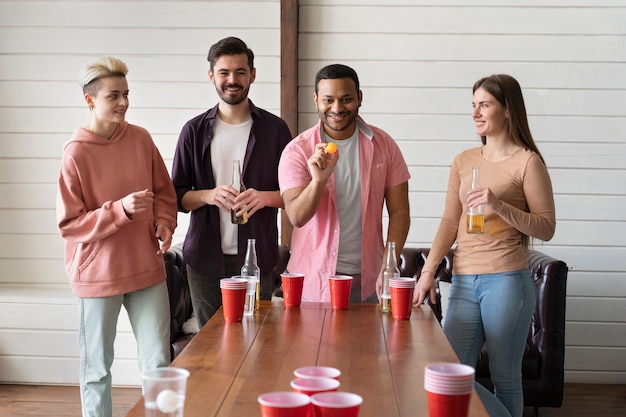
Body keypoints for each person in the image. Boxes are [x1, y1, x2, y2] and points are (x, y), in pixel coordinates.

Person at [413, 74, 556, 417]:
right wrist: (428, 271)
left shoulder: (527, 161)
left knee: (506, 378)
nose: (476, 112)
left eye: (485, 104)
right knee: (447, 372)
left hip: (506, 281)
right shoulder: (464, 160)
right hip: (463, 280)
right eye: (473, 105)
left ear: (508, 110)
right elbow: (450, 222)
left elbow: (546, 227)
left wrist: (499, 206)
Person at [56, 56, 178, 417]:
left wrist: (164, 223)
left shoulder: (140, 139)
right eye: (114, 96)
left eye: (126, 94)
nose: (124, 103)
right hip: (97, 275)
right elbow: (69, 224)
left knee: (158, 363)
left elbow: (164, 193)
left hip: (145, 269)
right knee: (97, 370)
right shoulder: (75, 153)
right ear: (90, 100)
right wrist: (120, 210)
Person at [171, 37, 293, 328]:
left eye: (240, 71)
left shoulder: (276, 130)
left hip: (257, 258)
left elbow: (295, 194)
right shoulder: (193, 131)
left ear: (252, 74)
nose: (232, 80)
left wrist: (264, 197)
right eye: (224, 72)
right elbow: (177, 196)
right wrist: (208, 196)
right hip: (203, 260)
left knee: (256, 344)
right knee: (208, 347)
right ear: (212, 76)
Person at [278, 64, 410, 303]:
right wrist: (318, 181)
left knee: (368, 343)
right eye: (328, 100)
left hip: (370, 281)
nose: (337, 108)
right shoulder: (297, 150)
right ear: (316, 99)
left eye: (346, 99)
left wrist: (389, 264)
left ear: (359, 98)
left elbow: (400, 212)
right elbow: (296, 216)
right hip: (312, 282)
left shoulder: (385, 146)